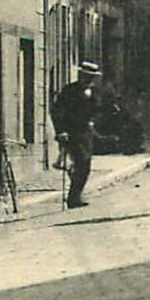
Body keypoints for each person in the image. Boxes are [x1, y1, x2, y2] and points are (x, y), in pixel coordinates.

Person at [51, 60, 101, 207]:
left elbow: (97, 110)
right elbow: (57, 111)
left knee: (85, 166)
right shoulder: (69, 91)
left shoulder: (94, 92)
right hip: (71, 133)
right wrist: (61, 131)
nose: (89, 80)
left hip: (86, 134)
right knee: (81, 163)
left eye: (92, 77)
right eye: (87, 76)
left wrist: (93, 121)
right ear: (81, 75)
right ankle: (73, 198)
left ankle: (75, 195)